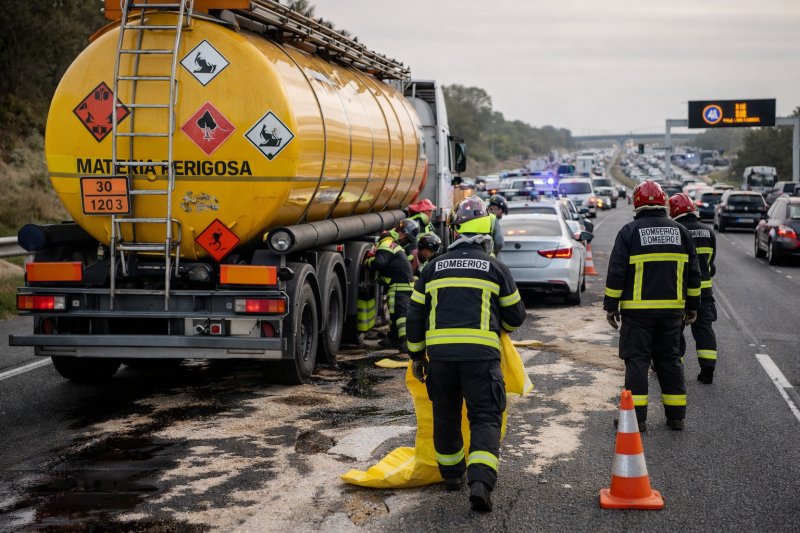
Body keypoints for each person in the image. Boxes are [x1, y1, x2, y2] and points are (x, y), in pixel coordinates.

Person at [406, 196, 526, 512]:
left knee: (445, 414)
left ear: (455, 229)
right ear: (486, 230)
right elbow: (516, 317)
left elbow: (415, 316)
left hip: (441, 360)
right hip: (481, 357)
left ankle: (451, 476)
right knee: (484, 416)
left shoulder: (432, 269)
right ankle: (481, 482)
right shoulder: (495, 267)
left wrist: (417, 357)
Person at [603, 180, 701, 432]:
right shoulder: (681, 232)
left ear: (637, 203)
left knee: (637, 362)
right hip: (672, 313)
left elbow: (616, 273)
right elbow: (693, 274)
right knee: (670, 361)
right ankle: (676, 416)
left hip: (637, 314)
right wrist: (693, 306)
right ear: (663, 202)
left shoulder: (630, 232)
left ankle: (637, 419)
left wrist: (611, 306)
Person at [669, 192, 718, 384]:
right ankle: (708, 369)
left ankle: (675, 368)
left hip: (680, 292)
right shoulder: (709, 232)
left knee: (674, 332)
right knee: (704, 330)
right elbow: (710, 264)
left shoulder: (676, 231)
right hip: (704, 293)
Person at [364, 218, 419, 353]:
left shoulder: (387, 243)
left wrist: (366, 261)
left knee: (400, 316)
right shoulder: (391, 243)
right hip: (402, 286)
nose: (405, 243)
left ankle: (405, 343)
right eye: (407, 240)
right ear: (402, 234)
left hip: (399, 287)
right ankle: (392, 339)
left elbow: (379, 263)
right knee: (396, 316)